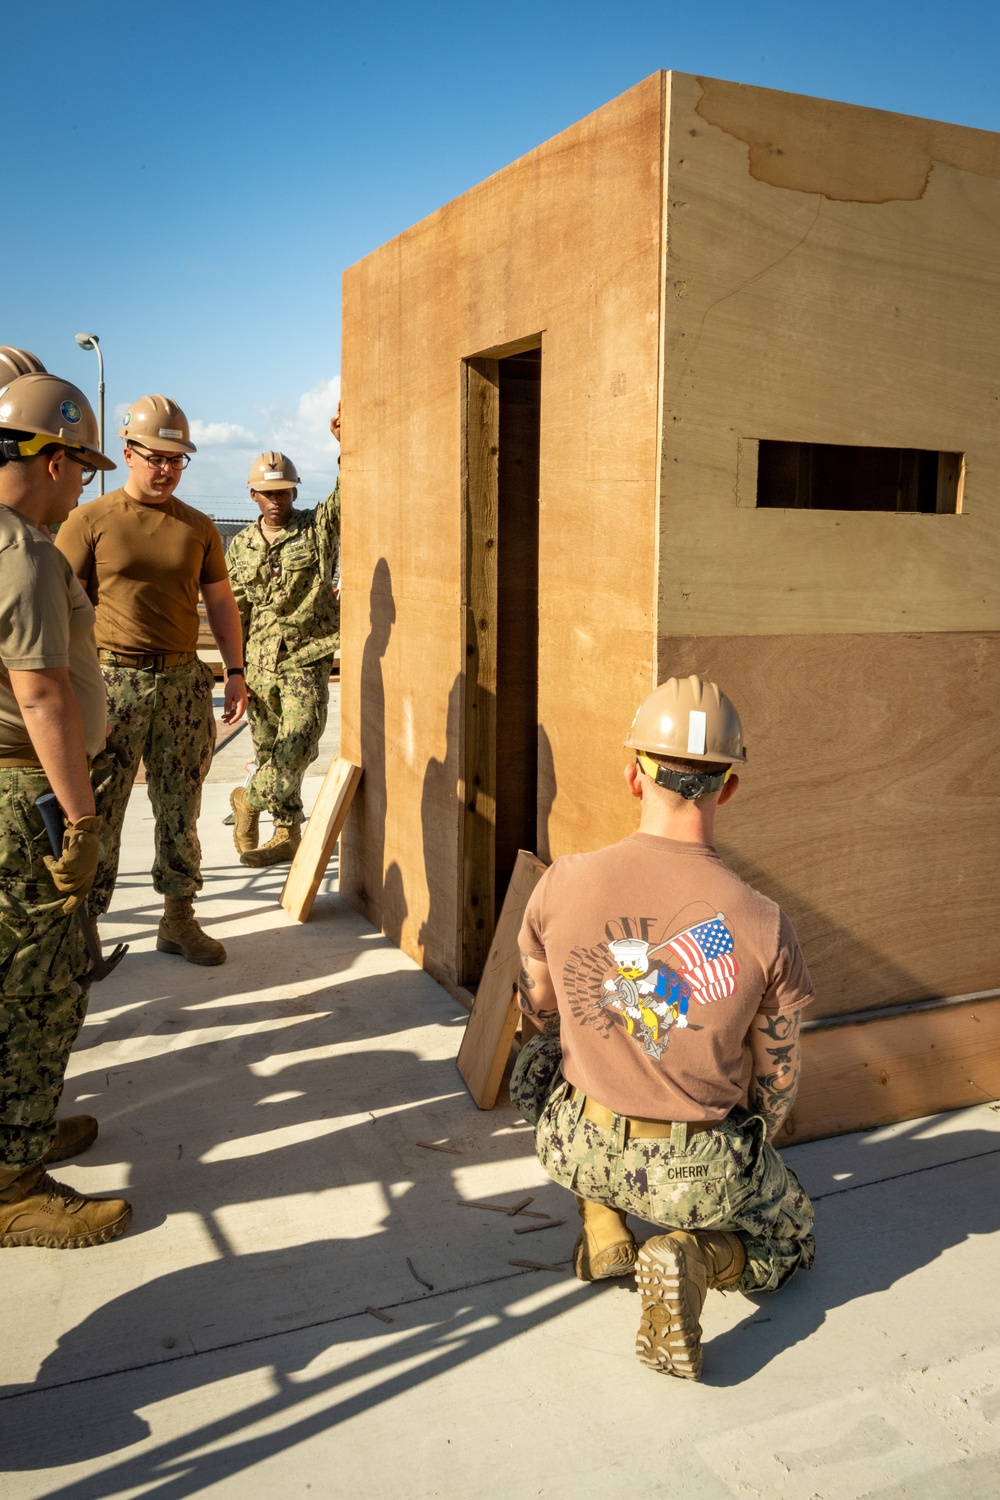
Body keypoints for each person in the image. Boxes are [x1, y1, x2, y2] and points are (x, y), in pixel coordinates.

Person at [513, 674, 815, 1379]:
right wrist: (748, 1148)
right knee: (792, 1238)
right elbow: (777, 1082)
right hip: (691, 1172)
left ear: (632, 776)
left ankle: (602, 1222)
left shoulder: (564, 881)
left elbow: (540, 1005)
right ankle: (697, 1255)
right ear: (728, 788)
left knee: (550, 1057)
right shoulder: (762, 922)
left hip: (575, 1141)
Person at [0, 370, 132, 1246]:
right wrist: (80, 824)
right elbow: (43, 694)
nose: (85, 481)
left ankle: (23, 1130)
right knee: (37, 986)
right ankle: (14, 1183)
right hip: (29, 790)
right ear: (49, 461)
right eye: (80, 466)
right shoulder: (20, 548)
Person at [56, 395, 248, 964]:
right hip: (112, 681)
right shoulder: (89, 521)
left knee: (180, 804)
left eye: (177, 459)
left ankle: (178, 918)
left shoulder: (198, 527)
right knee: (100, 807)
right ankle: (84, 928)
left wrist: (234, 673)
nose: (166, 469)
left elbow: (221, 605)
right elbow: (58, 604)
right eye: (155, 456)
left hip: (185, 684)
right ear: (128, 452)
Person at [226, 442, 340, 866]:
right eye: (268, 493)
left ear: (295, 493)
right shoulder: (239, 547)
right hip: (257, 663)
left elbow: (344, 497)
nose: (277, 501)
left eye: (284, 492)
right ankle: (285, 833)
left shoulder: (316, 528)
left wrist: (346, 445)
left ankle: (247, 799)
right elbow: (235, 609)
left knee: (300, 742)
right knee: (271, 748)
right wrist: (234, 669)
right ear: (253, 494)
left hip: (304, 657)